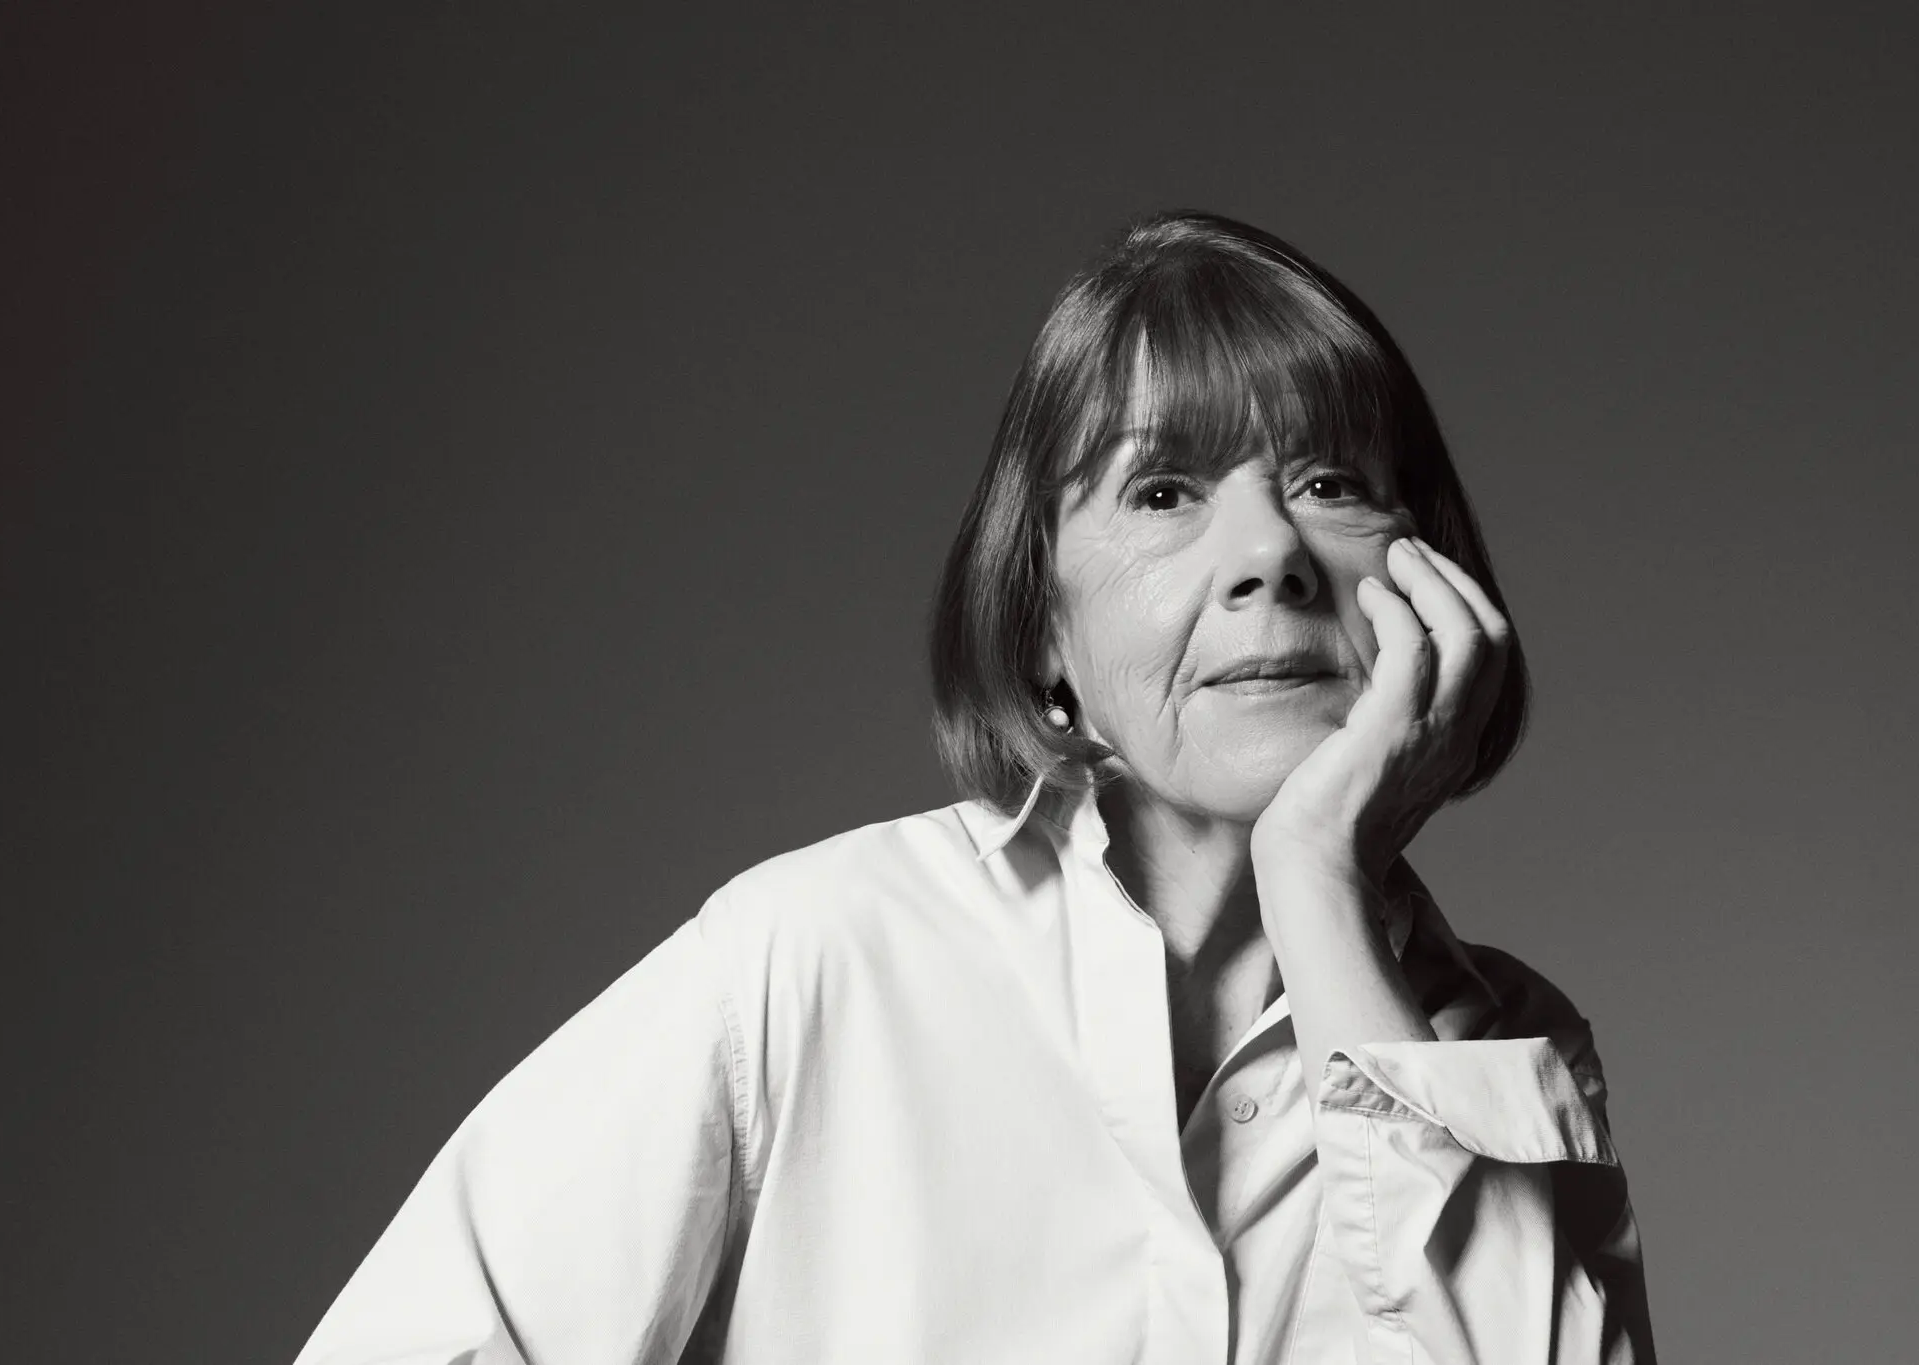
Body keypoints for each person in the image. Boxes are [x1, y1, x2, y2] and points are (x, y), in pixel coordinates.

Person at [293, 211, 1655, 1364]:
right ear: (1044, 627)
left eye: (1329, 481)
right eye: (1164, 492)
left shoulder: (1503, 1049)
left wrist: (1320, 878)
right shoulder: (819, 959)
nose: (1270, 555)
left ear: (1432, 584)